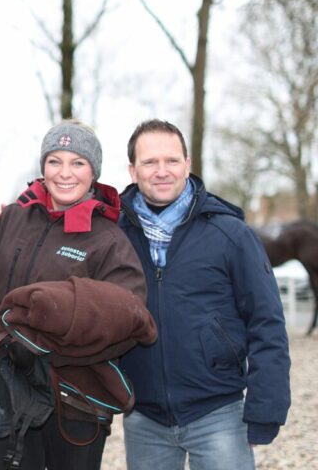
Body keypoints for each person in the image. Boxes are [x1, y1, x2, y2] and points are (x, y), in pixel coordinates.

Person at [0, 120, 157, 470]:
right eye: (55, 161)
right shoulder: (14, 217)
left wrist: (57, 314)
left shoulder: (109, 240)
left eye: (77, 163)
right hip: (8, 391)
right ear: (43, 166)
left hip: (75, 403)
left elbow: (130, 315)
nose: (64, 173)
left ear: (93, 172)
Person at [118, 119, 291, 470]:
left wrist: (266, 408)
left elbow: (267, 322)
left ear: (187, 165)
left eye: (171, 160)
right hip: (144, 418)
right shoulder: (113, 237)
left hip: (218, 413)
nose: (162, 171)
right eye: (150, 162)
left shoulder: (230, 234)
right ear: (133, 171)